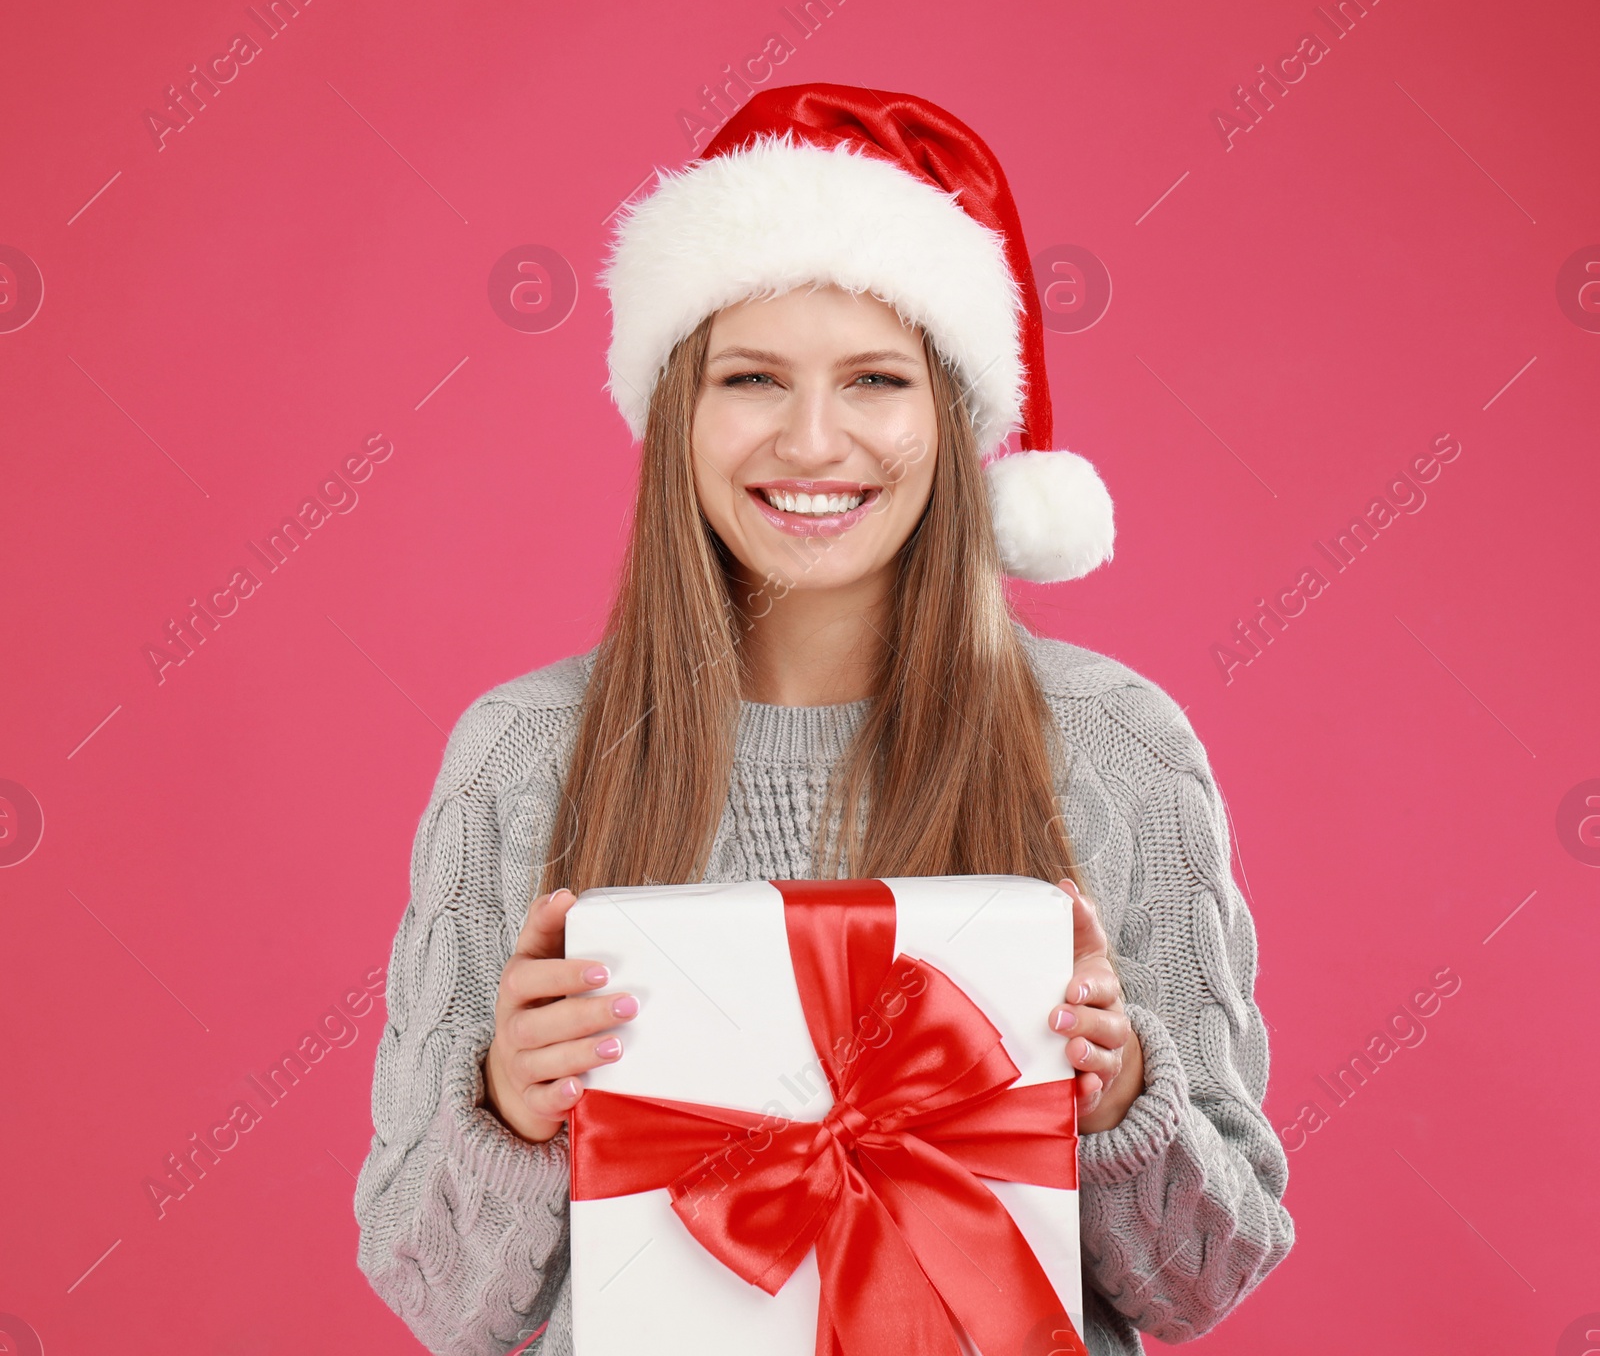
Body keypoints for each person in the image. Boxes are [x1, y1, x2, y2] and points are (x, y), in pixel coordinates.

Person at [353, 84, 1296, 1355]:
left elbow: (1204, 1281)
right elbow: (436, 1302)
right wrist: (511, 1121)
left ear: (955, 416)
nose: (811, 439)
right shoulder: (522, 761)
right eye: (750, 376)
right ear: (678, 411)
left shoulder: (1115, 751)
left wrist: (1120, 1100)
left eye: (873, 379)